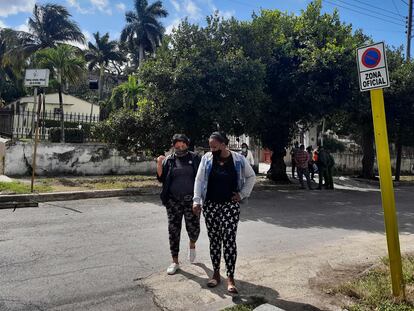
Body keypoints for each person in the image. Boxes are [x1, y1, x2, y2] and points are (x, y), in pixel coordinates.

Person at [193, 132, 256, 294]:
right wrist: (196, 200)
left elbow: (251, 177)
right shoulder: (207, 159)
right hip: (211, 205)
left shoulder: (238, 160)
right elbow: (199, 180)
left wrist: (242, 194)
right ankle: (215, 273)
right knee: (214, 239)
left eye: (214, 146)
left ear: (223, 144)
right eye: (210, 146)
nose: (211, 149)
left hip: (230, 205)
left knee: (228, 239)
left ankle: (230, 277)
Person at [157, 134, 201, 275]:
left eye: (183, 145)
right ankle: (175, 261)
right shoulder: (169, 160)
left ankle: (192, 245)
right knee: (173, 231)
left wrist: (199, 199)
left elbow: (202, 178)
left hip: (192, 201)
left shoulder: (195, 158)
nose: (180, 148)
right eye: (177, 146)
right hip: (173, 202)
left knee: (193, 229)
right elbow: (161, 178)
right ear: (173, 146)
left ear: (187, 145)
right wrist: (159, 163)